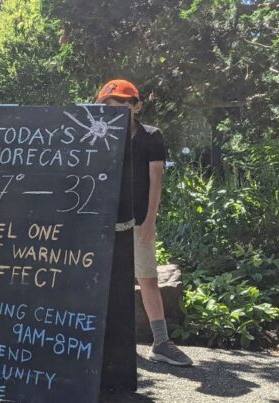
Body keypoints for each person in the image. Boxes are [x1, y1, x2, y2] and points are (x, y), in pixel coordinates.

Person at [96, 79, 192, 366]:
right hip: (101, 222)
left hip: (137, 220)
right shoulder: (97, 136)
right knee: (99, 281)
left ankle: (161, 342)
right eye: (108, 106)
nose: (116, 111)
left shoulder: (151, 136)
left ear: (136, 106)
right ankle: (95, 341)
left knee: (148, 279)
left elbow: (156, 180)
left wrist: (150, 221)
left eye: (123, 105)